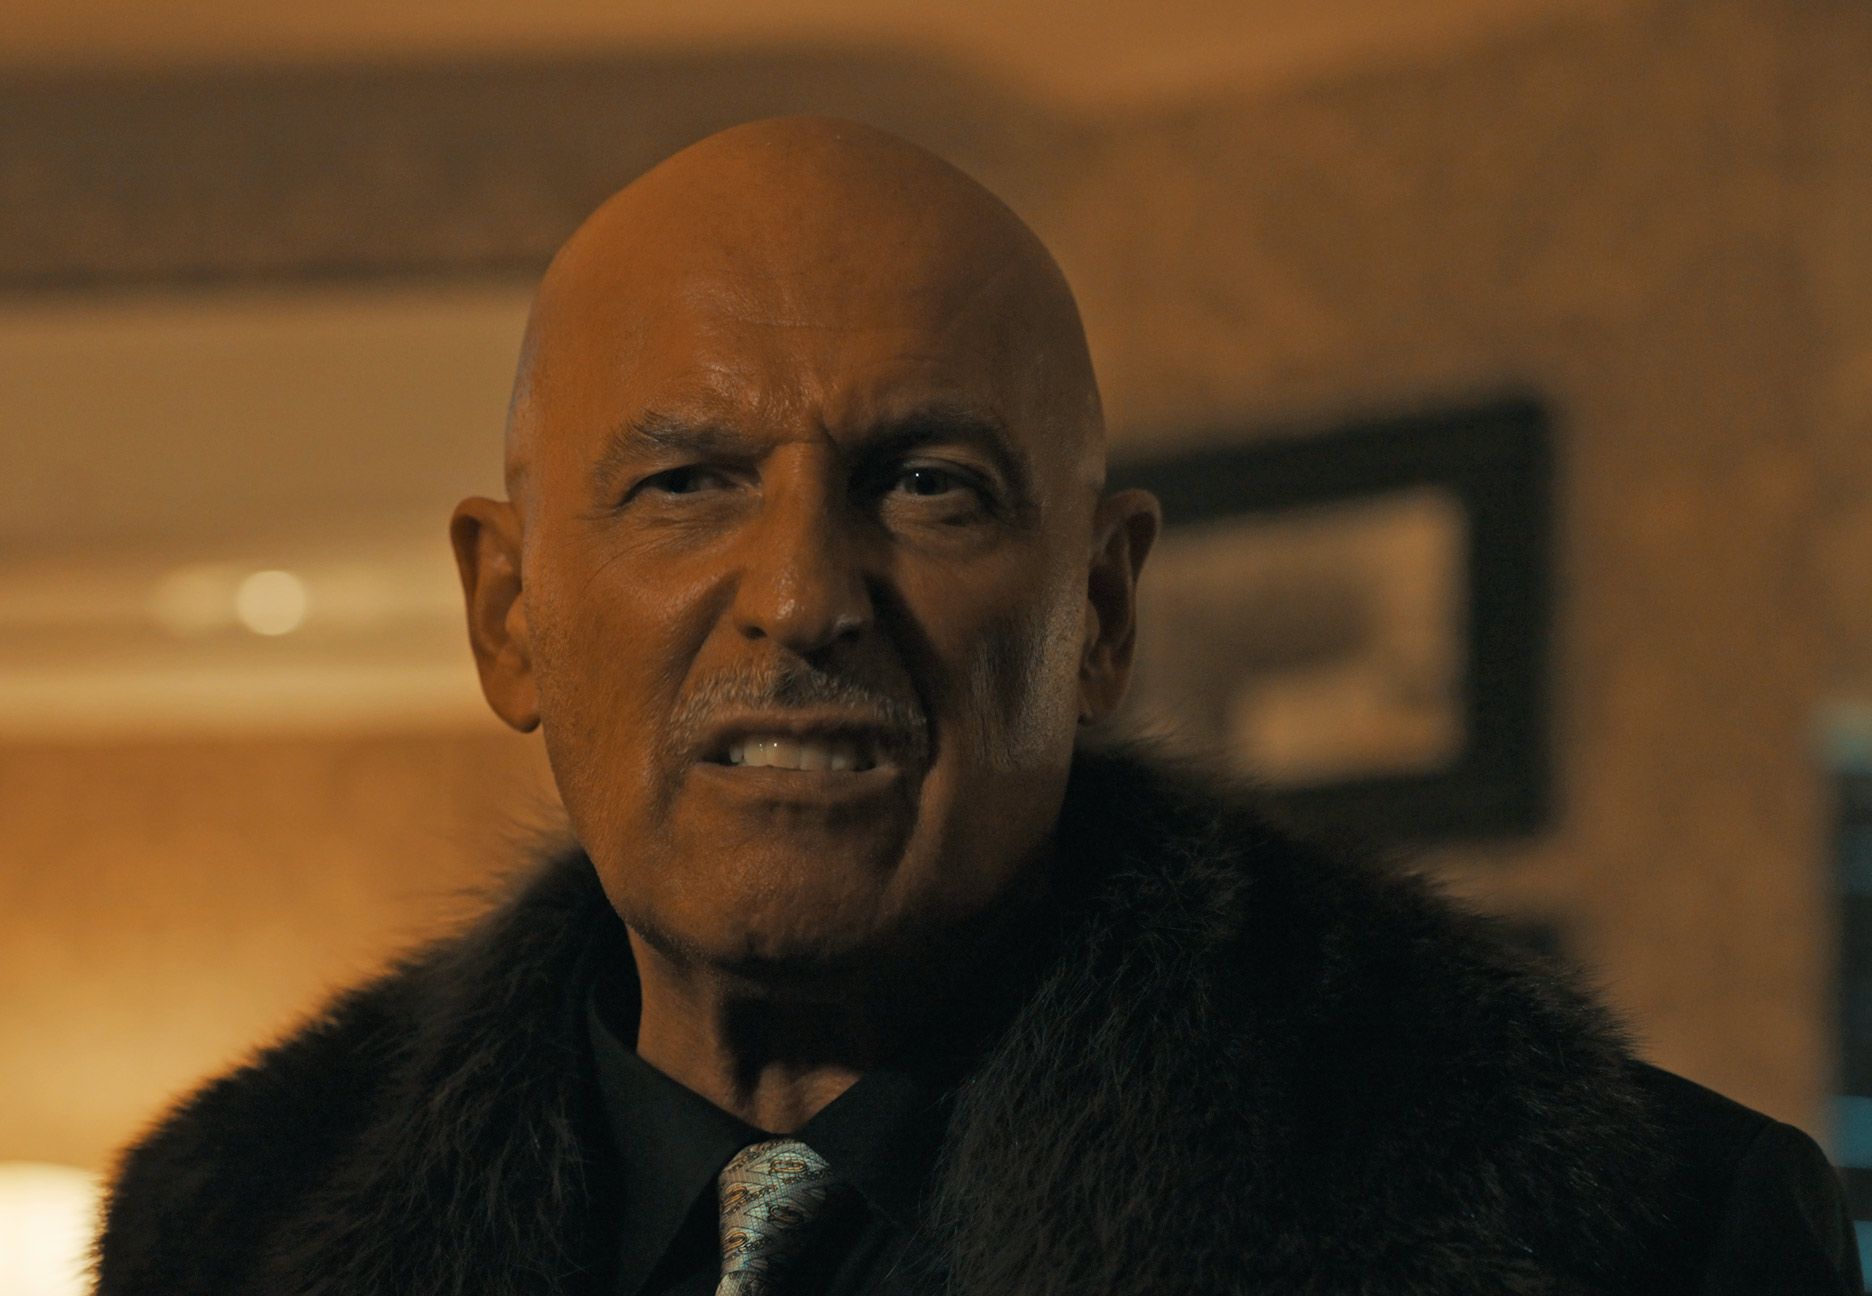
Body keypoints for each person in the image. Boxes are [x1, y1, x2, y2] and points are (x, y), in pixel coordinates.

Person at [95, 116, 1860, 1296]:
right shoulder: (225, 1235)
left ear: (1097, 612)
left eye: (930, 486)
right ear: (509, 620)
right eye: (687, 484)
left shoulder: (1639, 1239)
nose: (804, 596)